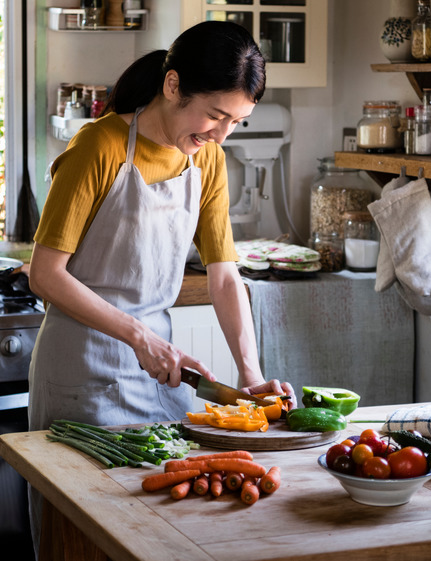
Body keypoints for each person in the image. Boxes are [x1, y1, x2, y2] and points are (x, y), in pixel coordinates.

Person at [25, 21, 294, 555]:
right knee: (83, 539)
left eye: (236, 122)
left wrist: (250, 374)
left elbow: (223, 276)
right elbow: (45, 275)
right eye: (216, 115)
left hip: (161, 373)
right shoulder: (96, 148)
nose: (222, 134)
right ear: (173, 86)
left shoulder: (208, 159)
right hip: (84, 370)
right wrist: (138, 337)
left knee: (159, 536)